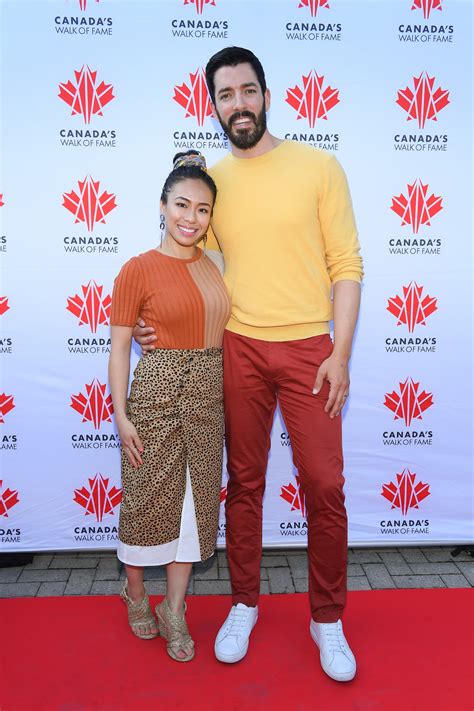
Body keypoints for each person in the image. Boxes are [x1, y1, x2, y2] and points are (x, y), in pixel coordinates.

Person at [136, 47, 363, 682]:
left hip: (309, 351)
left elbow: (346, 265)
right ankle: (243, 603)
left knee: (324, 485)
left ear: (266, 94)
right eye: (226, 94)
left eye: (248, 90)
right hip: (236, 348)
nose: (238, 103)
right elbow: (183, 263)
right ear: (213, 106)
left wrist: (340, 354)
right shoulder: (212, 186)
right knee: (244, 484)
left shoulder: (319, 166)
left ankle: (328, 619)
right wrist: (154, 322)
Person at [108, 151, 231, 662]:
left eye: (203, 210)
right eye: (182, 204)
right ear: (162, 206)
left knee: (192, 511)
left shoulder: (218, 265)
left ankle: (173, 610)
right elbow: (118, 347)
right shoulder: (137, 269)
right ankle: (136, 594)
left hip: (207, 393)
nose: (191, 218)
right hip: (155, 395)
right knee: (145, 503)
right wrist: (121, 414)